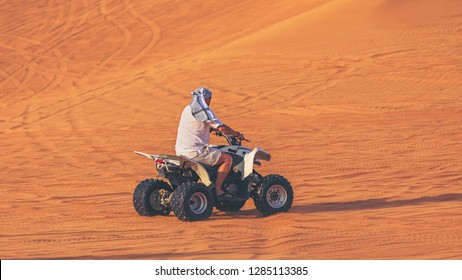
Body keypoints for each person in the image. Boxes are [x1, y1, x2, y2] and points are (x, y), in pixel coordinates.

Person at [175, 87, 244, 202]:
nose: (209, 101)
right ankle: (218, 189)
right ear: (205, 99)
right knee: (227, 159)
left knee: (213, 150)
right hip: (195, 152)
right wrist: (236, 134)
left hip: (181, 152)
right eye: (209, 98)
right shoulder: (204, 111)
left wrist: (211, 130)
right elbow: (222, 128)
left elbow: (195, 126)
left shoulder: (188, 109)